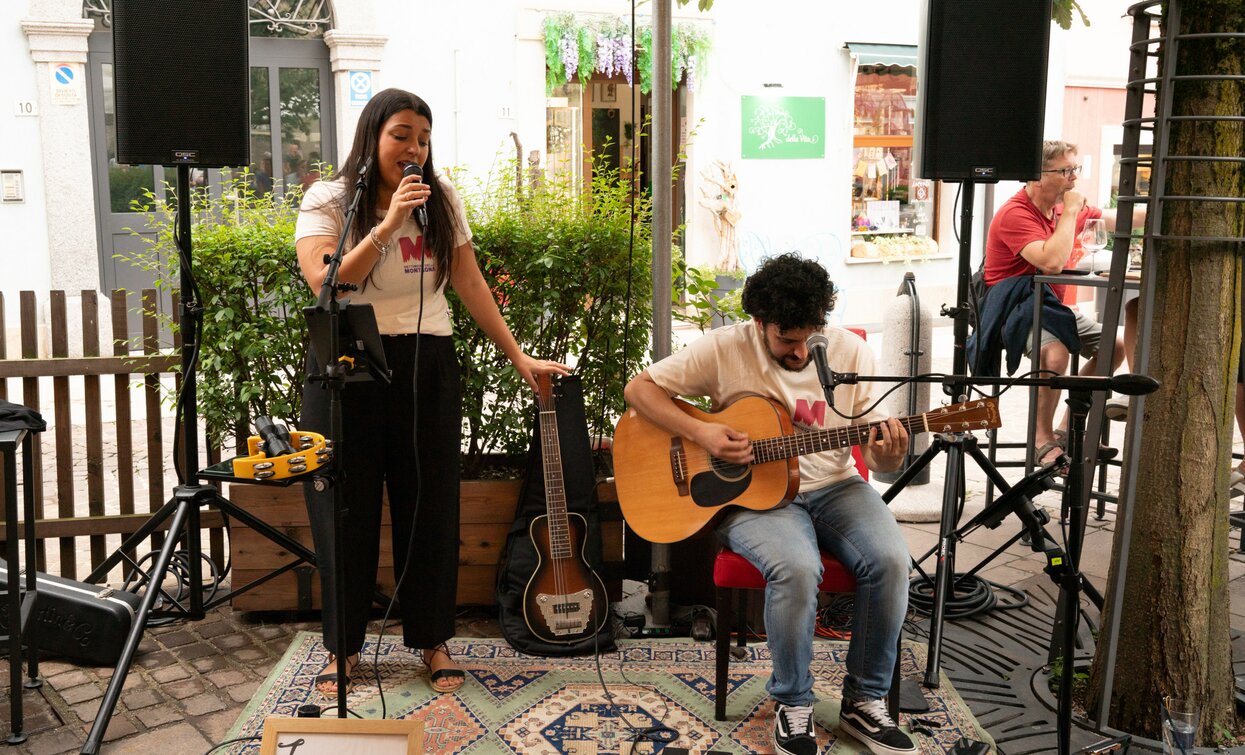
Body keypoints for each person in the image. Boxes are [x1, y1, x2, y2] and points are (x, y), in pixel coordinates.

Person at [294, 88, 568, 698]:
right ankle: (344, 647)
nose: (414, 148)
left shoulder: (440, 197)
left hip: (427, 360)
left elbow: (468, 280)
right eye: (401, 135)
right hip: (346, 364)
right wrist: (388, 225)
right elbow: (326, 283)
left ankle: (432, 639)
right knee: (344, 512)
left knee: (430, 507)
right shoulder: (329, 199)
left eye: (423, 138)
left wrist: (518, 355)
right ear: (372, 136)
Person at [623, 253, 916, 755]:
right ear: (760, 322)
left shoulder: (849, 352)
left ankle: (864, 700)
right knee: (796, 568)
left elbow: (875, 453)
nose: (801, 352)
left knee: (892, 560)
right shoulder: (724, 348)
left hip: (837, 486)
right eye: (787, 340)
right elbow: (638, 389)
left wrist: (887, 454)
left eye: (810, 336)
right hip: (755, 500)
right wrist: (702, 433)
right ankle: (793, 703)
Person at [983, 139, 1141, 464]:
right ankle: (1040, 438)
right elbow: (1052, 262)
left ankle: (1068, 430)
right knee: (1055, 354)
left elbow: (1121, 218)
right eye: (1066, 171)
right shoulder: (1015, 213)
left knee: (1114, 345)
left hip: (1052, 309)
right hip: (1013, 311)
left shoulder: (1062, 210)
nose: (1074, 178)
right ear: (1038, 175)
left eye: (1075, 169)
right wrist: (1070, 211)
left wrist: (1163, 211)